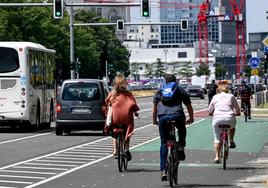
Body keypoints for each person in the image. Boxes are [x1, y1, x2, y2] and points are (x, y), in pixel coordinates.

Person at [152, 74, 194, 181]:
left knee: (163, 142)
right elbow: (188, 105)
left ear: (165, 81)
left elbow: (154, 108)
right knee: (181, 129)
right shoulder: (179, 88)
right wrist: (191, 118)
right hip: (177, 114)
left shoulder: (160, 90)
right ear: (175, 81)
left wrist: (154, 120)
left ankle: (164, 170)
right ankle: (180, 146)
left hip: (162, 117)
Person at [104, 75, 139, 161]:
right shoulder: (128, 94)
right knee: (128, 131)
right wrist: (135, 112)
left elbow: (107, 102)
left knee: (113, 130)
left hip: (115, 118)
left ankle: (115, 150)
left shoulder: (112, 94)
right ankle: (127, 150)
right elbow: (133, 105)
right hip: (126, 119)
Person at [208, 81, 241, 163]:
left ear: (218, 90)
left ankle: (217, 157)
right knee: (232, 127)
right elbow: (237, 108)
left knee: (217, 138)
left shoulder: (215, 97)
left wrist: (211, 113)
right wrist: (237, 113)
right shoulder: (231, 96)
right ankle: (231, 141)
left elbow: (210, 109)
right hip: (230, 118)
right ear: (228, 90)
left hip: (217, 119)